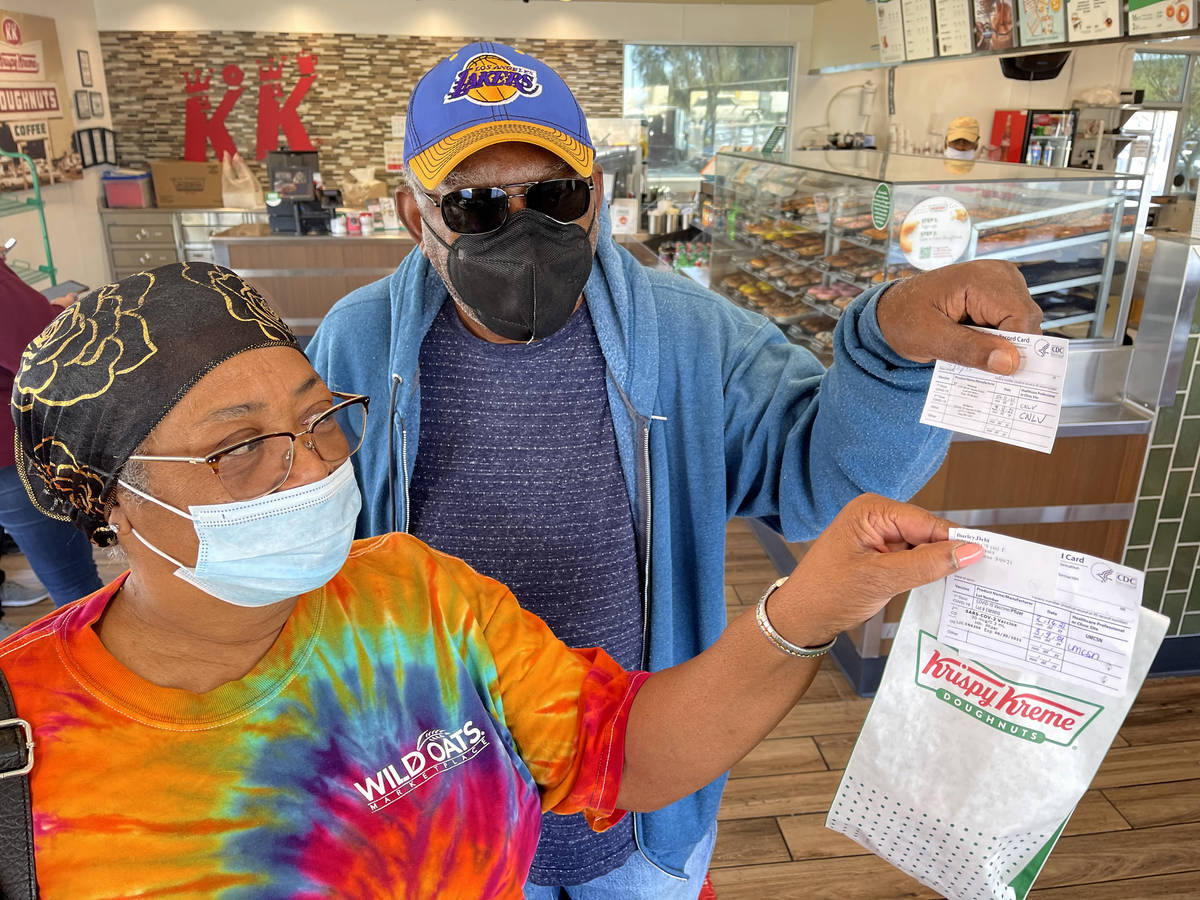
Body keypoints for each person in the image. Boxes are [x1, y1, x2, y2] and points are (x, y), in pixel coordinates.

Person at [307, 42, 1042, 897]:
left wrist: (887, 351)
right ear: (412, 215)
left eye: (555, 195)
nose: (524, 230)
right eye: (475, 206)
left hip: (646, 794)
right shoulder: (357, 344)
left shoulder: (691, 333)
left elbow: (819, 477)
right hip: (438, 807)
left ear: (600, 196)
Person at [0, 261, 983, 897]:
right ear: (109, 501)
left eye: (318, 417)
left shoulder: (414, 597)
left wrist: (815, 602)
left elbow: (621, 748)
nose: (312, 468)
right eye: (240, 449)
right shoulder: (29, 757)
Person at [0, 256, 102, 635]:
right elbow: (45, 363)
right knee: (74, 586)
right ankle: (93, 670)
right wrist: (57, 318)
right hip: (8, 458)